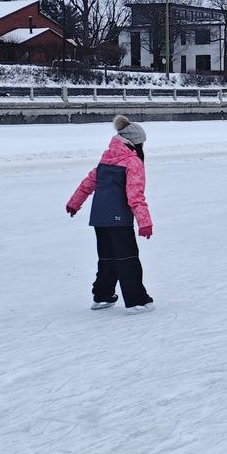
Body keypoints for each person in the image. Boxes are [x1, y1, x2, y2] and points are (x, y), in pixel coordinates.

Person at [66, 115, 154, 310]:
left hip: (100, 217)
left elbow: (88, 183)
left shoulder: (106, 158)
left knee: (107, 258)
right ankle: (137, 300)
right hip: (119, 218)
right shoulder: (133, 162)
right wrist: (144, 222)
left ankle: (103, 296)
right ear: (136, 143)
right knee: (127, 258)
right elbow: (135, 195)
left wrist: (74, 203)